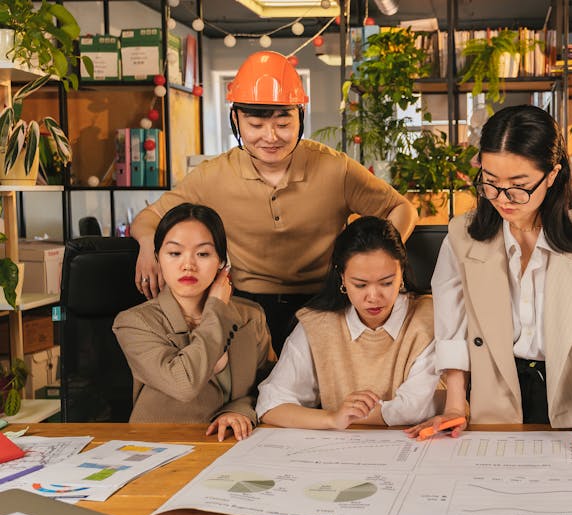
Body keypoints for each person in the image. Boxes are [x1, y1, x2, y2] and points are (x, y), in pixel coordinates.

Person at [404, 104, 572, 469]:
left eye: (519, 187)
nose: (503, 199)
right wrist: (456, 405)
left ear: (552, 175)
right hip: (496, 393)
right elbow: (452, 327)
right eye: (490, 183)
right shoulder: (462, 235)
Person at [130, 51, 418, 354]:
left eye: (283, 123)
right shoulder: (212, 176)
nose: (270, 137)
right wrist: (149, 245)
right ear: (235, 120)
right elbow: (150, 216)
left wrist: (377, 259)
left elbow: (401, 208)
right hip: (244, 305)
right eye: (255, 125)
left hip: (326, 303)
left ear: (300, 117)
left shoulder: (335, 169)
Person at [256, 216, 440, 429]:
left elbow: (414, 407)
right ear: (342, 278)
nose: (373, 296)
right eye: (360, 285)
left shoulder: (430, 316)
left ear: (401, 274)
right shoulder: (317, 325)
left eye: (387, 282)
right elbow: (271, 404)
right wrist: (333, 418)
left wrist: (353, 416)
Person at [114, 203, 274, 440]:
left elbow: (272, 386)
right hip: (158, 448)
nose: (188, 264)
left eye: (203, 254)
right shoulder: (135, 323)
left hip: (235, 446)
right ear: (158, 258)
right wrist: (216, 310)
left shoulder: (251, 317)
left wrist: (239, 409)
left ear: (222, 261)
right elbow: (184, 384)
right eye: (174, 253)